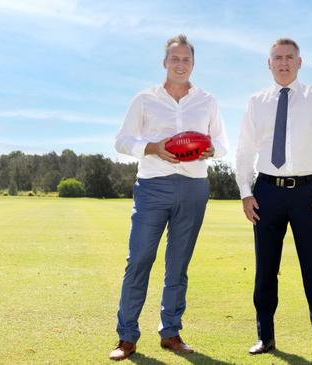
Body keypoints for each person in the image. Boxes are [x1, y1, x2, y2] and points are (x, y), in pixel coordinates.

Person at [109, 34, 228, 361]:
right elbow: (121, 141)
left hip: (193, 188)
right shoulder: (145, 99)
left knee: (178, 265)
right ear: (165, 62)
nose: (180, 64)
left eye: (186, 60)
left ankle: (171, 333)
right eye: (174, 59)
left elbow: (222, 144)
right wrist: (152, 148)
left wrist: (208, 150)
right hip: (152, 185)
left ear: (193, 63)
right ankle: (127, 337)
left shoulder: (207, 101)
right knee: (140, 259)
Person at [235, 38, 312, 359]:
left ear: (300, 62)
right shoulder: (256, 101)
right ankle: (264, 337)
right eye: (277, 58)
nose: (283, 62)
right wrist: (245, 192)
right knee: (265, 268)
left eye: (289, 58)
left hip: (309, 193)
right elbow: (244, 150)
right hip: (266, 191)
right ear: (268, 63)